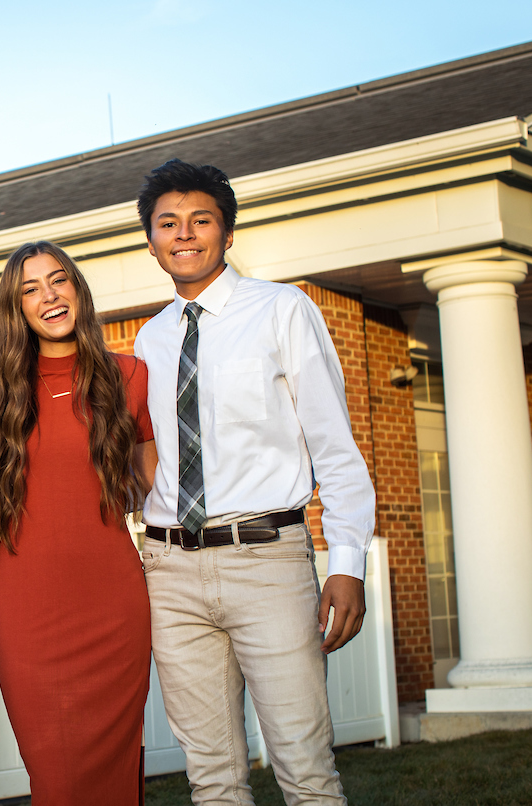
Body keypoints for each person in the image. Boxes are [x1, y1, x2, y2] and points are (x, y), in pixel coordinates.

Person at [133, 159, 375, 805]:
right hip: (171, 573)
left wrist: (347, 562)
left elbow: (335, 447)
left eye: (201, 220)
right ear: (151, 241)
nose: (185, 234)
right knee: (211, 778)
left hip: (266, 561)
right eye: (168, 223)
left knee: (306, 768)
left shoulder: (282, 309)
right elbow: (150, 461)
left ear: (228, 233)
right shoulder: (150, 340)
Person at [0, 241, 157, 805]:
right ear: (16, 308)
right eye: (30, 289)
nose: (49, 296)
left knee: (114, 768)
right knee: (54, 773)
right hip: (27, 606)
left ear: (78, 288)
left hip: (113, 605)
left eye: (58, 280)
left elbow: (159, 486)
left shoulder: (130, 376)